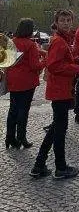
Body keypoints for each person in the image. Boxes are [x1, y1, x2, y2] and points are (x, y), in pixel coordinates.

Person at [30, 9, 79, 179]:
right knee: (59, 130)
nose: (66, 23)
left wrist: (74, 62)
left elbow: (58, 62)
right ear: (57, 22)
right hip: (60, 90)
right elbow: (53, 66)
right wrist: (76, 68)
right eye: (63, 20)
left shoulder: (61, 39)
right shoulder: (59, 41)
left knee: (55, 128)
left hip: (60, 89)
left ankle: (39, 165)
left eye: (68, 20)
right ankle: (60, 167)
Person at [5, 18, 46, 149]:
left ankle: (9, 137)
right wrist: (46, 61)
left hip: (13, 80)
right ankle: (22, 137)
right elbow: (35, 65)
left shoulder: (11, 42)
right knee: (23, 110)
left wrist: (40, 51)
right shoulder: (30, 44)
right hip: (26, 82)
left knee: (13, 110)